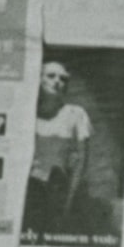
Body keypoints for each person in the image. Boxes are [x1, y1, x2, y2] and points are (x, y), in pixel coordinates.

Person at [23, 57, 91, 235]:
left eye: (63, 79)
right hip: (26, 194)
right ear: (38, 79)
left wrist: (67, 205)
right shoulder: (24, 111)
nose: (57, 82)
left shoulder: (76, 114)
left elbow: (80, 164)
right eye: (51, 76)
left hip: (56, 196)